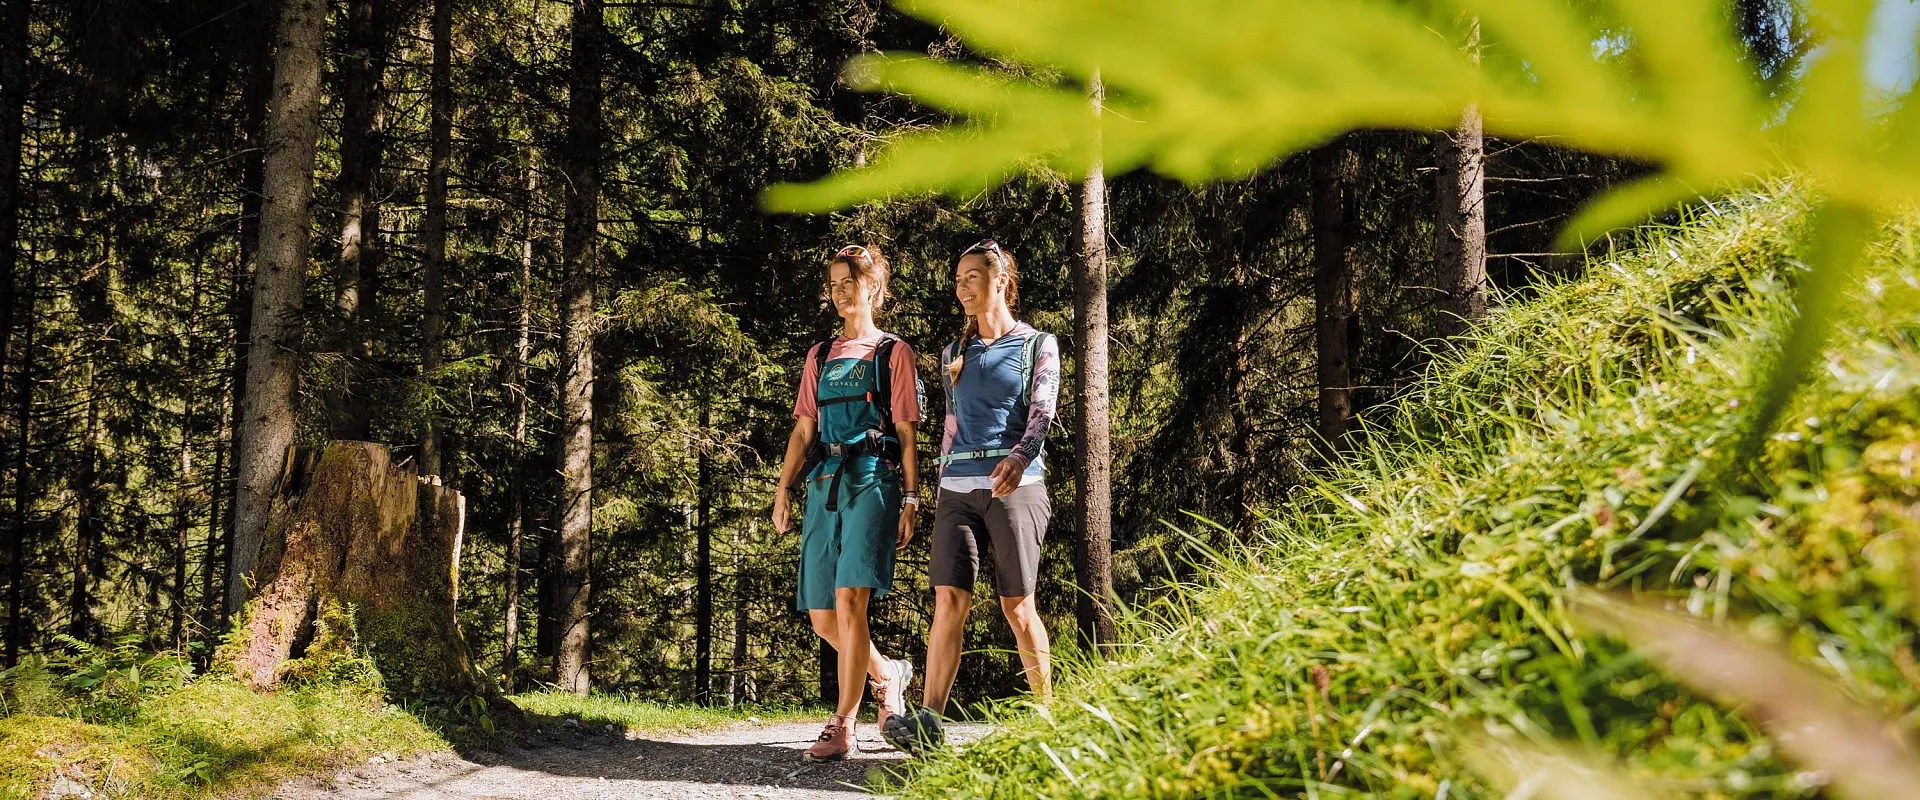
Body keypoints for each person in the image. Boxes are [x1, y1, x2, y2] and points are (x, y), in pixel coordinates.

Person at [883, 239, 1059, 755]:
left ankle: (1049, 720)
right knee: (948, 599)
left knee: (1017, 605)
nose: (961, 287)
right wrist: (931, 493)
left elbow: (1043, 412)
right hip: (957, 489)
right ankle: (929, 723)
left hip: (1017, 487)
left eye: (972, 277)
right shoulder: (953, 354)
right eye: (957, 279)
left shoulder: (1037, 344)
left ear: (999, 280)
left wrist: (1020, 458)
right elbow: (951, 426)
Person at [772, 244, 922, 763]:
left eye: (850, 282)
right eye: (834, 283)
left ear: (874, 288)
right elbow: (802, 430)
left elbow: (906, 434)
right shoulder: (818, 356)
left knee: (849, 603)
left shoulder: (892, 354)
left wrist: (911, 496)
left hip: (873, 482)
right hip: (824, 484)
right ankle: (888, 675)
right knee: (820, 615)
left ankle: (844, 724)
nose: (840, 292)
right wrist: (783, 488)